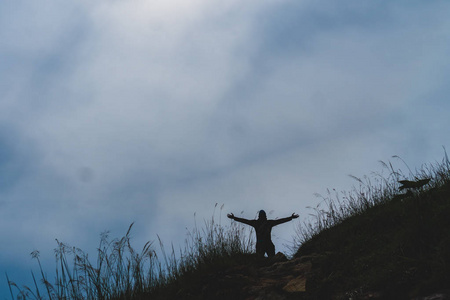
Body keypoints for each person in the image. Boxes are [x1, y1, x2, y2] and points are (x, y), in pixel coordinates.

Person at [227, 210, 299, 257]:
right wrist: (290, 218)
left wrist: (234, 218)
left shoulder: (256, 223)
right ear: (265, 216)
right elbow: (280, 221)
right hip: (267, 244)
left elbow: (245, 221)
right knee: (271, 260)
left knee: (261, 261)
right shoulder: (269, 223)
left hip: (261, 244)